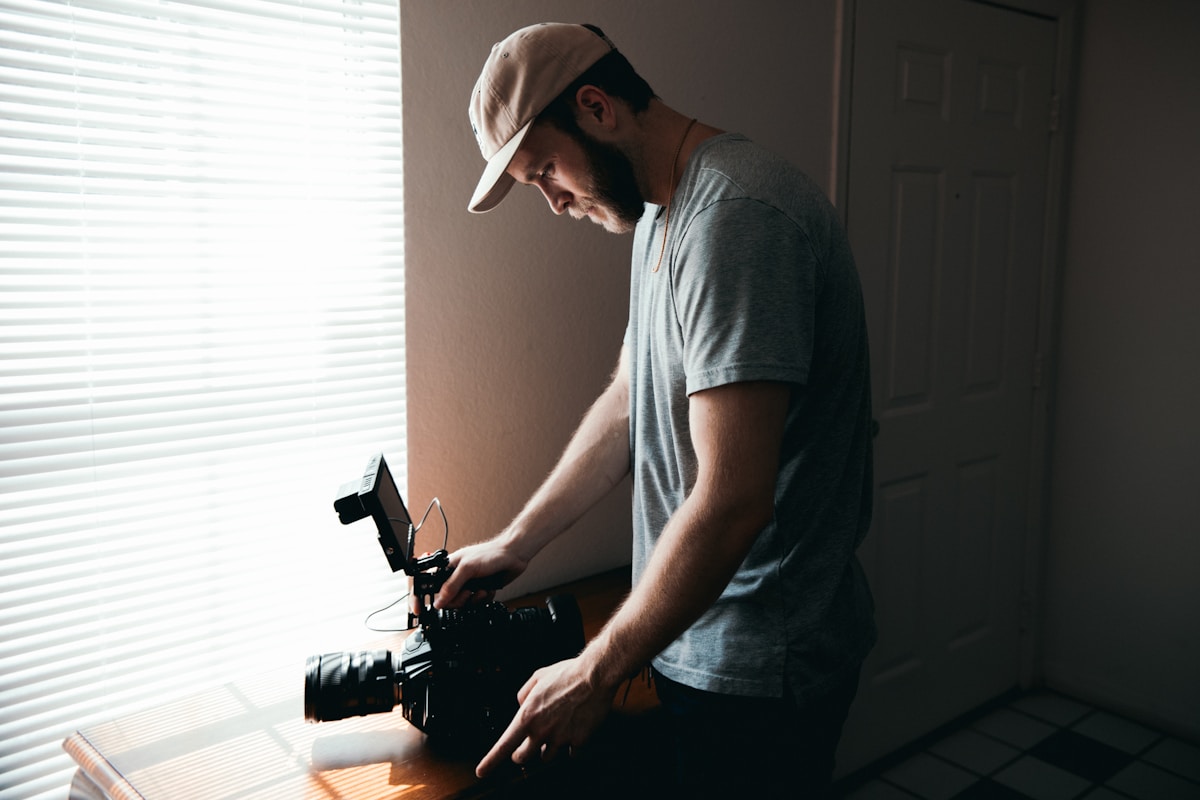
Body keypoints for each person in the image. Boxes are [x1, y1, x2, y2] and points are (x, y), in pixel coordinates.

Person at [437, 22, 876, 798]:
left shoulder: (738, 219)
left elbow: (733, 501)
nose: (553, 202)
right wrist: (517, 542)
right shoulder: (660, 215)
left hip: (759, 667)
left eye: (546, 170)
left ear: (597, 108)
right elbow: (628, 401)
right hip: (693, 636)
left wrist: (594, 672)